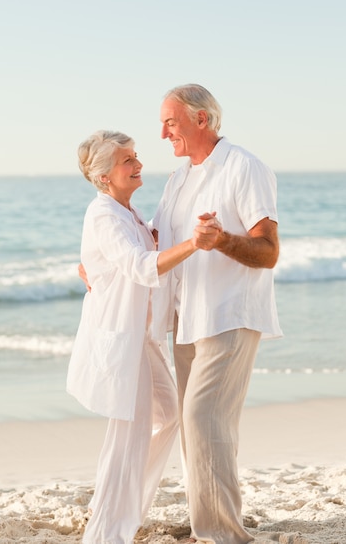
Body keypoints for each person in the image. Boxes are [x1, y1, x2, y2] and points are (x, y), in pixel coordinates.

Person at [150, 84, 283, 544]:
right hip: (187, 319)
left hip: (229, 313)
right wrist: (100, 255)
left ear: (201, 120)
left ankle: (221, 534)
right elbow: (156, 240)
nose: (163, 132)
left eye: (171, 121)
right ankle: (210, 522)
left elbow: (268, 251)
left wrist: (223, 240)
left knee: (204, 419)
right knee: (198, 428)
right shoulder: (178, 179)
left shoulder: (244, 167)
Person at [66, 130, 212, 544]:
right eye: (127, 160)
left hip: (141, 338)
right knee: (128, 436)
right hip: (121, 340)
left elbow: (127, 251)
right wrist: (193, 244)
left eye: (135, 156)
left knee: (169, 416)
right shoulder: (104, 214)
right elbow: (140, 267)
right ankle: (108, 531)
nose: (138, 164)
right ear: (104, 176)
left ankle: (118, 505)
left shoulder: (126, 212)